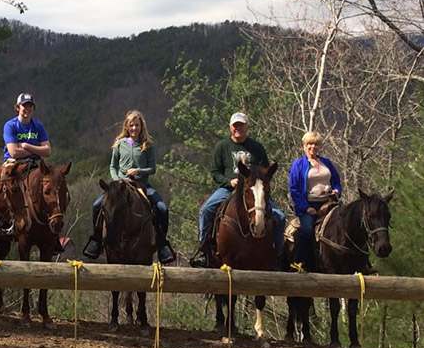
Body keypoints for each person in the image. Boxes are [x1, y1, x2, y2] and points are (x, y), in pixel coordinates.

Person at [83, 110, 175, 264]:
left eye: (137, 125)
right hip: (120, 185)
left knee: (162, 208)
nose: (134, 128)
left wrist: (139, 171)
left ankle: (161, 244)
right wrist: (117, 180)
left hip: (142, 184)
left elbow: (152, 168)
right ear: (127, 126)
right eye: (131, 125)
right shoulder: (119, 144)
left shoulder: (147, 144)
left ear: (141, 126)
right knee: (97, 205)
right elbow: (113, 166)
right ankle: (97, 240)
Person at [194, 112, 285, 267]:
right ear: (230, 127)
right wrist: (229, 181)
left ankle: (278, 254)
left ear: (246, 126)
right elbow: (215, 172)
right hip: (228, 189)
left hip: (253, 190)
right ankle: (203, 249)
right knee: (206, 210)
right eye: (235, 125)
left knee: (280, 216)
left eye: (241, 125)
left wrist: (257, 183)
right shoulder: (222, 146)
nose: (238, 128)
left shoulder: (256, 147)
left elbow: (265, 172)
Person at [0, 92, 63, 253]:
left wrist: (27, 147)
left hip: (35, 164)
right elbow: (13, 152)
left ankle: (53, 233)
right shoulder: (11, 125)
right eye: (24, 105)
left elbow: (48, 151)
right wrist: (36, 150)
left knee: (53, 186)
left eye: (30, 105)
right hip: (13, 164)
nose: (27, 108)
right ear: (17, 108)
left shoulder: (38, 126)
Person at [288, 131, 341, 272]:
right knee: (306, 230)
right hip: (309, 205)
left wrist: (336, 191)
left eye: (316, 144)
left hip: (329, 202)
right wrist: (306, 208)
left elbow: (336, 182)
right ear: (304, 146)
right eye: (309, 144)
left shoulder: (327, 163)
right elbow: (294, 189)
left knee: (346, 222)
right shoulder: (298, 165)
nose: (313, 147)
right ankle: (298, 262)